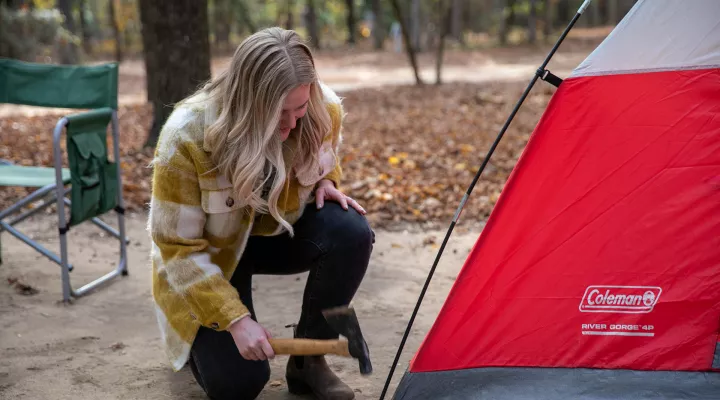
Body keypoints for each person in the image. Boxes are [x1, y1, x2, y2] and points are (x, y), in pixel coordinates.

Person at [147, 27, 374, 400]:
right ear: (244, 101)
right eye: (276, 113)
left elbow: (326, 156)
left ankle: (310, 361)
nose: (290, 125)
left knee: (351, 231)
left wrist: (326, 182)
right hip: (213, 256)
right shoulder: (186, 137)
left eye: (299, 108)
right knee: (239, 384)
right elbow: (178, 249)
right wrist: (235, 320)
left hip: (274, 235)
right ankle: (200, 343)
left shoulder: (322, 109)